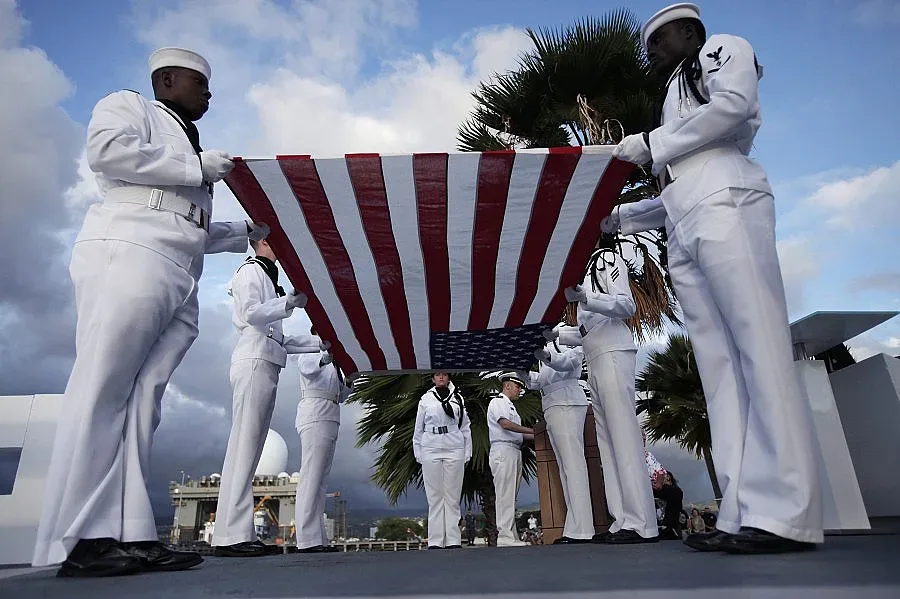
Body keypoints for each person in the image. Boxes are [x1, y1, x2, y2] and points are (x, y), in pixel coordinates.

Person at [32, 47, 266, 577]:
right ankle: (81, 537)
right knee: (103, 388)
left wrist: (245, 234)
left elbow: (191, 222)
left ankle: (130, 533)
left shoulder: (189, 141)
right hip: (130, 250)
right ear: (166, 79)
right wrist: (193, 166)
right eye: (199, 83)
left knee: (143, 403)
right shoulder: (129, 106)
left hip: (180, 266)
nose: (208, 93)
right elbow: (107, 152)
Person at [605, 2, 822, 553]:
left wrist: (653, 143)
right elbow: (678, 179)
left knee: (759, 349)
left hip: (729, 201)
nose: (651, 54)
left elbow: (733, 107)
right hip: (686, 217)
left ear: (687, 31)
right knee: (720, 372)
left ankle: (785, 512)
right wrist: (620, 218)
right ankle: (741, 509)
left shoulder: (719, 49)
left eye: (658, 41)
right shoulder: (674, 92)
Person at [212, 240, 323, 557]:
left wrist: (322, 344)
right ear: (262, 241)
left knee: (250, 448)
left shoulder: (269, 279)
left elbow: (282, 339)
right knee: (244, 448)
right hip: (253, 361)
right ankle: (231, 536)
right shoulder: (250, 271)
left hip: (267, 361)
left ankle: (237, 532)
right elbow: (250, 314)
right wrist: (288, 303)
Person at [549, 240, 659, 545]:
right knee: (607, 444)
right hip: (595, 358)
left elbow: (626, 305)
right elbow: (585, 332)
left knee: (623, 437)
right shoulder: (583, 276)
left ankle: (641, 523)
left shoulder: (606, 259)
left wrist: (588, 297)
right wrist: (554, 334)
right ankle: (621, 519)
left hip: (613, 352)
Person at [520, 341, 593, 545]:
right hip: (552, 404)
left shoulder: (566, 335)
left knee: (573, 466)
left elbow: (570, 363)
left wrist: (544, 355)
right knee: (565, 469)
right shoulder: (543, 341)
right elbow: (541, 381)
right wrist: (523, 372)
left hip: (567, 403)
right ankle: (575, 526)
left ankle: (583, 529)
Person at [293, 334, 352, 553]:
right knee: (311, 478)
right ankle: (307, 540)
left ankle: (317, 538)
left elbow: (342, 394)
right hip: (315, 414)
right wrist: (326, 354)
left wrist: (349, 379)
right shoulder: (310, 351)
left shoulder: (333, 362)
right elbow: (308, 368)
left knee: (320, 482)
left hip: (330, 414)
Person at [412, 372, 473, 549]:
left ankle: (453, 539)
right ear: (433, 379)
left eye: (444, 375)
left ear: (448, 378)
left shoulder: (458, 398)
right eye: (437, 375)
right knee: (435, 495)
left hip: (454, 445)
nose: (441, 378)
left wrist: (467, 451)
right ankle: (435, 540)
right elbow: (418, 429)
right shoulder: (426, 400)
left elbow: (465, 427)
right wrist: (419, 452)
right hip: (431, 445)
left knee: (452, 496)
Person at [487, 373, 535, 547]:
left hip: (514, 450)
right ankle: (505, 537)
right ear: (507, 386)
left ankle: (511, 535)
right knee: (504, 495)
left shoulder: (511, 407)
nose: (520, 390)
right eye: (517, 386)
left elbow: (520, 433)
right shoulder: (498, 402)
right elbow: (505, 424)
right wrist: (532, 431)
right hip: (503, 449)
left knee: (510, 496)